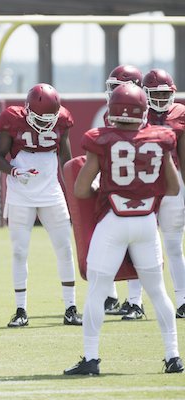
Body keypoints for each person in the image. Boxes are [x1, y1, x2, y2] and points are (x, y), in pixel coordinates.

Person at [65, 83, 183, 375]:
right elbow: (173, 186)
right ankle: (173, 357)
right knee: (157, 291)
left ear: (112, 110)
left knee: (97, 290)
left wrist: (99, 184)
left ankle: (91, 358)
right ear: (144, 111)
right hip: (146, 222)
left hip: (114, 222)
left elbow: (80, 190)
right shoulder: (161, 138)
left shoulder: (101, 139)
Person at [0, 83, 82, 328]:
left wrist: (73, 195)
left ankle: (70, 308)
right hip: (21, 193)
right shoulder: (12, 118)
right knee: (20, 251)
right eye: (39, 117)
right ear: (27, 110)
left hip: (51, 192)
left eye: (49, 118)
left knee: (64, 248)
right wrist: (13, 170)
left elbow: (66, 159)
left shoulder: (62, 120)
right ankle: (21, 310)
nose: (45, 123)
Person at [102, 65, 146, 318]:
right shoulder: (112, 114)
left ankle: (136, 300)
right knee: (111, 241)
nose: (112, 92)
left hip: (139, 189)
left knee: (136, 247)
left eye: (116, 87)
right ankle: (113, 297)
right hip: (117, 185)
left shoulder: (143, 117)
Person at [143, 68, 185, 319]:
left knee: (172, 244)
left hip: (170, 184)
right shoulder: (135, 109)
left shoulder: (180, 113)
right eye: (154, 94)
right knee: (139, 244)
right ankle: (135, 301)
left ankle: (182, 299)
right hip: (142, 184)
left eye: (164, 94)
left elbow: (182, 154)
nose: (159, 99)